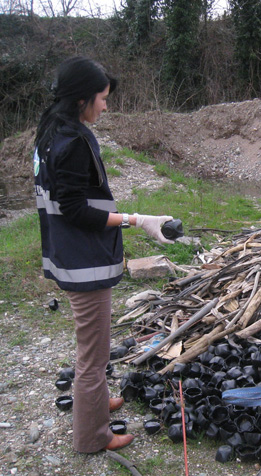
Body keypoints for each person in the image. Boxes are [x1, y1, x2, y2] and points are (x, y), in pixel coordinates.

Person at [33, 56, 175, 453]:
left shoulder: (51, 131)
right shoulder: (73, 142)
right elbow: (75, 209)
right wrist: (134, 219)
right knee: (93, 355)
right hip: (84, 262)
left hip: (68, 254)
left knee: (91, 346)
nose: (106, 106)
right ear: (82, 100)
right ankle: (93, 436)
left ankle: (93, 405)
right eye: (102, 98)